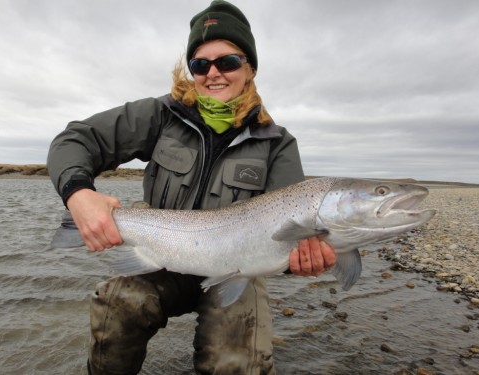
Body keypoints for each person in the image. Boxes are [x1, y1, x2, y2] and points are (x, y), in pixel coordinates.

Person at [47, 1, 336, 374]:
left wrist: (303, 261)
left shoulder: (276, 143)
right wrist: (79, 194)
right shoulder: (160, 115)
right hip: (162, 256)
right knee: (117, 303)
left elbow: (288, 237)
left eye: (227, 62)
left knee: (236, 360)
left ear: (249, 68)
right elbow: (74, 140)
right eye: (201, 64)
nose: (213, 73)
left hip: (237, 271)